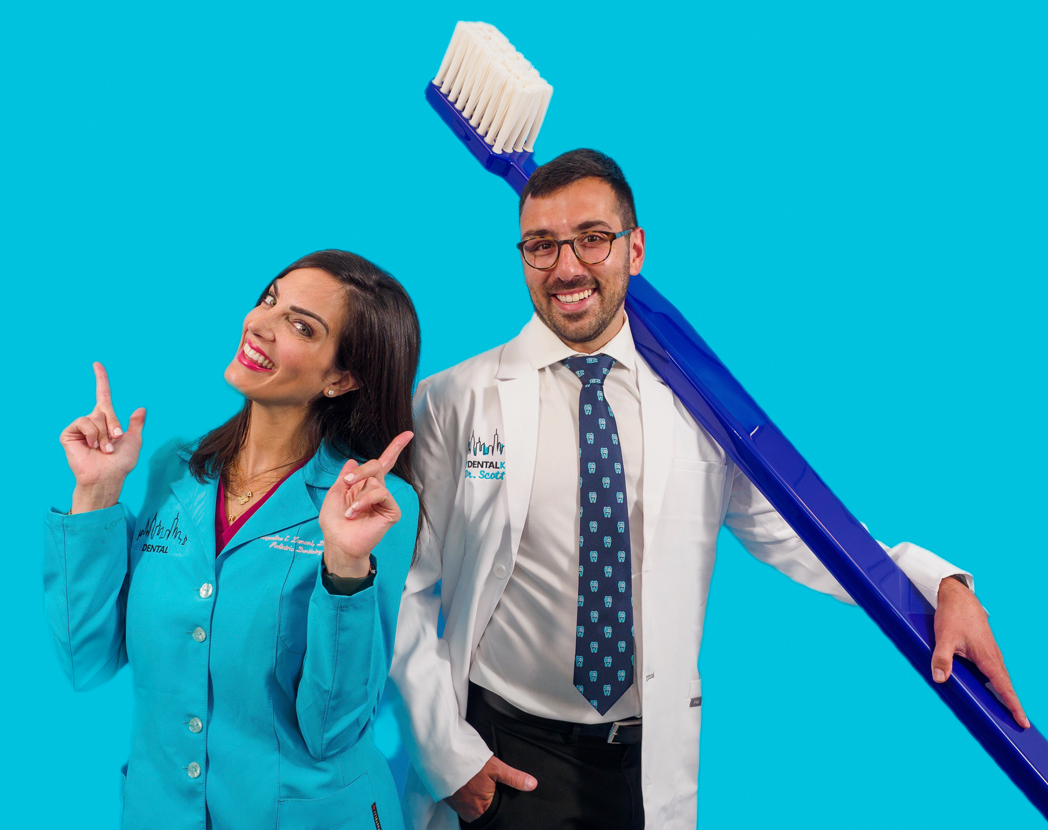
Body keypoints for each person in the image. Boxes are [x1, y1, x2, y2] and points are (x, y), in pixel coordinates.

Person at [389, 150, 1029, 830]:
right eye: (541, 246)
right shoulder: (455, 400)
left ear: (635, 249)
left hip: (644, 758)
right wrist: (447, 757)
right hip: (507, 750)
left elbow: (809, 536)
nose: (567, 268)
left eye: (593, 239)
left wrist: (941, 585)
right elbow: (408, 589)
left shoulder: (702, 410)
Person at [44, 249, 421, 830]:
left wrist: (346, 563)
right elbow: (85, 661)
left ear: (341, 377)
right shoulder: (173, 468)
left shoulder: (371, 504)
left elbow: (334, 730)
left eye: (301, 326)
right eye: (269, 300)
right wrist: (95, 494)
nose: (261, 324)